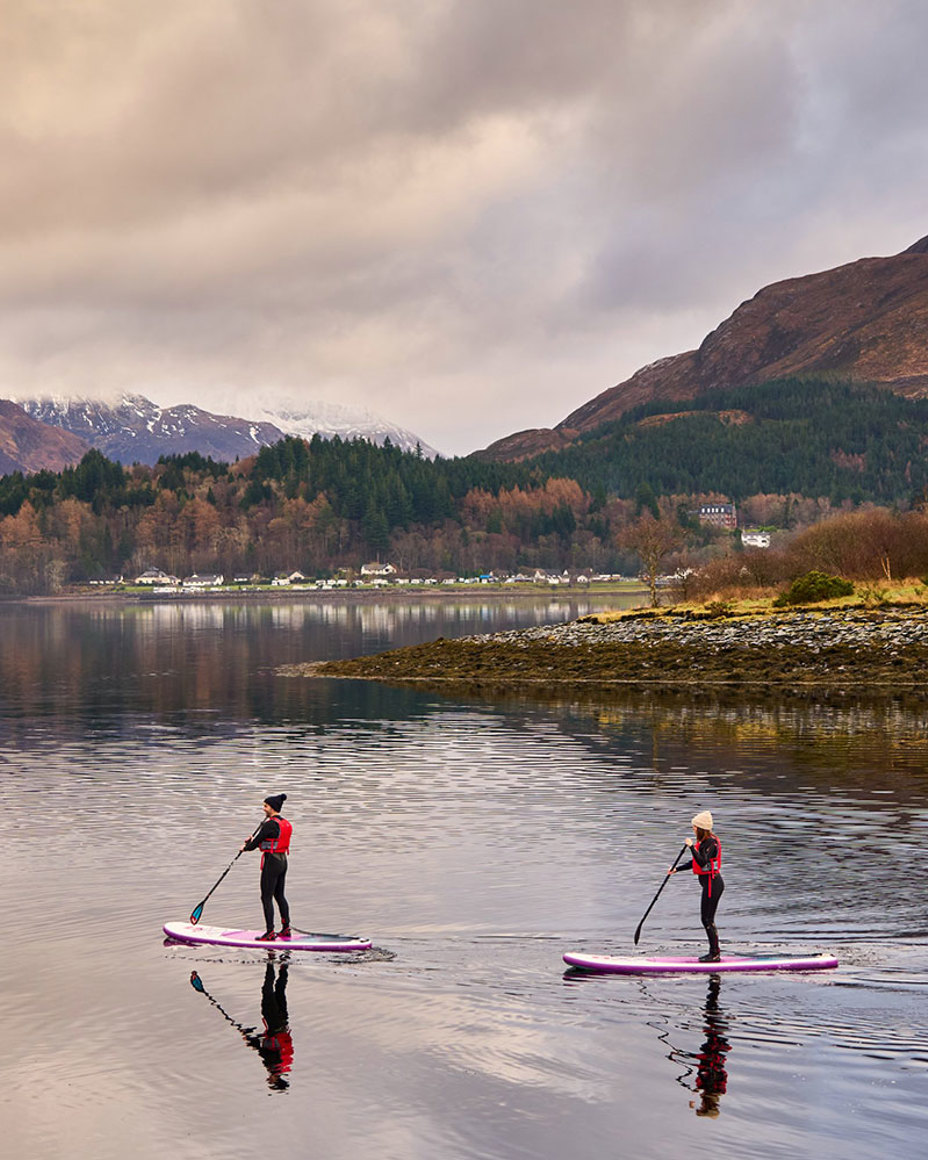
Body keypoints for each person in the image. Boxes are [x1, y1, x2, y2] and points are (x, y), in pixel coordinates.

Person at [668, 809, 724, 962]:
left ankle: (715, 954)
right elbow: (695, 863)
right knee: (706, 919)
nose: (693, 829)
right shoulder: (704, 843)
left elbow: (702, 861)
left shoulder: (710, 843)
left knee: (707, 919)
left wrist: (691, 847)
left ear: (701, 828)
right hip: (710, 884)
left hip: (713, 884)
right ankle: (714, 952)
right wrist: (677, 869)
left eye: (694, 827)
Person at [241, 793, 292, 941]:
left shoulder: (269, 824)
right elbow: (267, 841)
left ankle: (270, 932)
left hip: (272, 862)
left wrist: (245, 846)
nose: (263, 808)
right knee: (279, 895)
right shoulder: (285, 823)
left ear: (272, 807)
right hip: (283, 861)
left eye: (265, 806)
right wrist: (254, 842)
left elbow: (252, 846)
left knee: (266, 897)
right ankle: (286, 928)